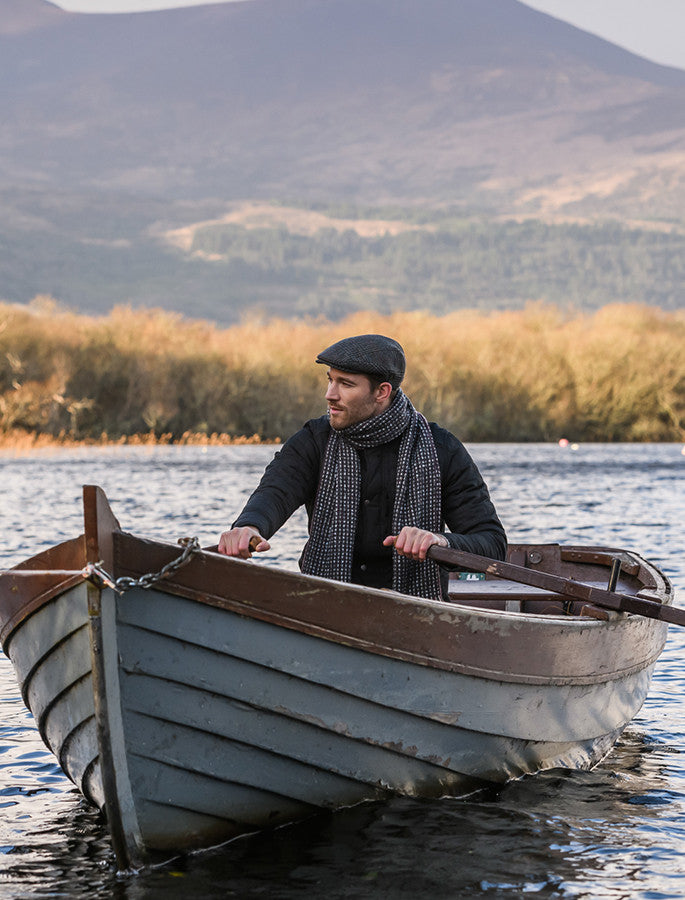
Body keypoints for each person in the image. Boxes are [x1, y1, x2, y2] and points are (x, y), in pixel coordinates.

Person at [218, 333, 506, 599]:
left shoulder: (442, 448)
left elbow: (493, 545)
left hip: (417, 613)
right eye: (330, 380)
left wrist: (440, 541)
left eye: (345, 384)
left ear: (382, 392)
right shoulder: (313, 441)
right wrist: (248, 527)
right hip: (325, 606)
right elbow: (276, 491)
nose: (330, 394)